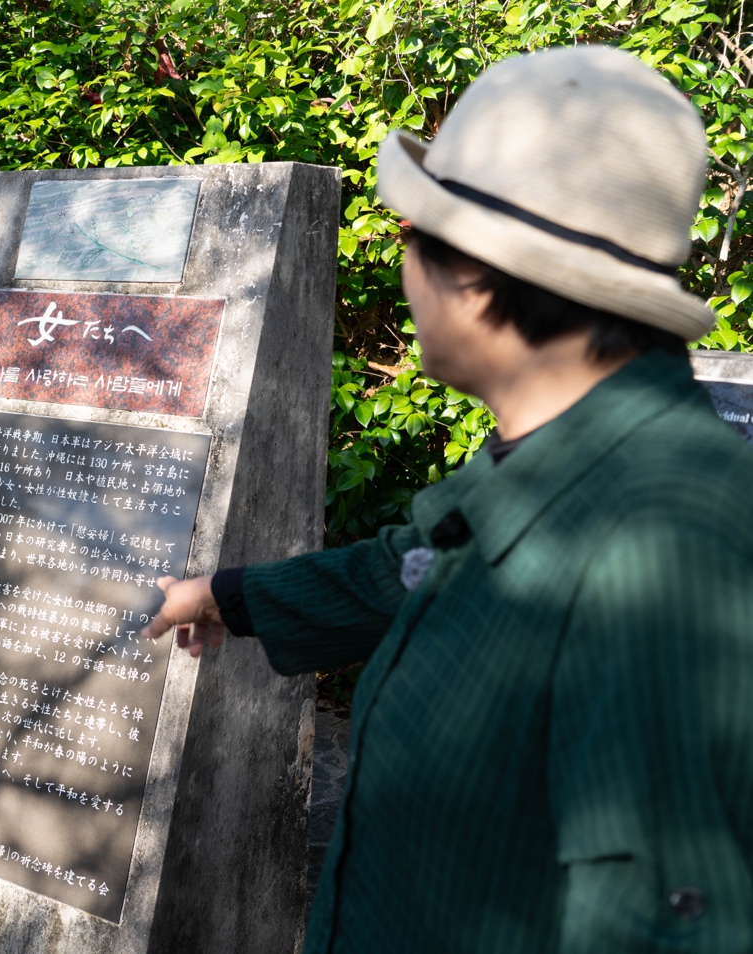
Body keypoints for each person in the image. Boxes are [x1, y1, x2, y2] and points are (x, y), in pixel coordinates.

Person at [142, 45, 753, 953]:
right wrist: (230, 598)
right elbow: (416, 566)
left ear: (474, 273)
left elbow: (666, 920)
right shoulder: (563, 458)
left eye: (410, 238)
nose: (402, 270)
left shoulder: (662, 543)